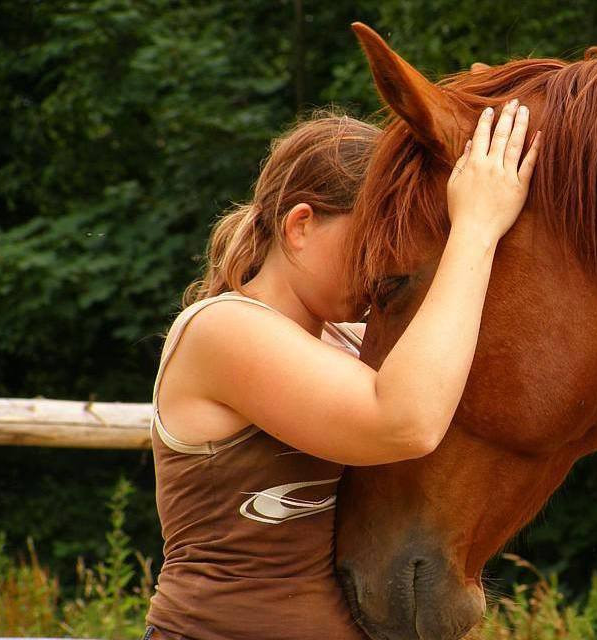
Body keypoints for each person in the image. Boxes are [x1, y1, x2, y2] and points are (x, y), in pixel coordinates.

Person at [142, 98, 542, 640]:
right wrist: (475, 229)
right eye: (368, 242)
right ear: (301, 226)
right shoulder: (221, 329)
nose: (381, 266)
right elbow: (405, 421)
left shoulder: (341, 343)